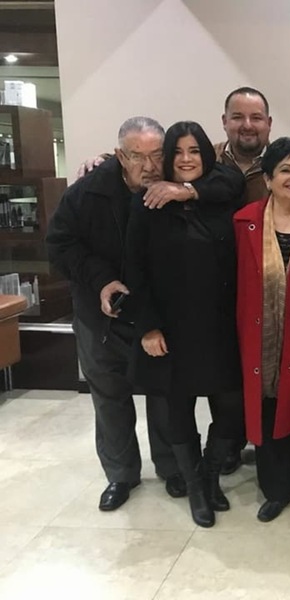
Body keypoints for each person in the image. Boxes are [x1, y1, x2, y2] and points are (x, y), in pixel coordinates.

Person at [46, 116, 234, 511]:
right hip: (102, 315)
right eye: (137, 156)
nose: (149, 166)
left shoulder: (177, 189)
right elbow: (60, 245)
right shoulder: (88, 191)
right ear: (119, 156)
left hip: (158, 315)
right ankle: (121, 475)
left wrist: (186, 189)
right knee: (110, 396)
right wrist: (101, 281)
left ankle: (173, 469)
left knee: (164, 395)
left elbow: (227, 181)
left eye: (156, 155)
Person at [124, 121, 246, 528]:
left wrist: (189, 190)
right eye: (177, 151)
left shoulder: (221, 195)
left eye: (194, 150)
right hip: (171, 328)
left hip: (221, 326)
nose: (186, 158)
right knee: (178, 408)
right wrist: (148, 326)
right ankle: (195, 487)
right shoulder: (147, 204)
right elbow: (135, 269)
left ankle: (211, 477)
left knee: (231, 406)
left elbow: (232, 179)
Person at [233, 137, 290, 523]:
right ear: (268, 178)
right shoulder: (244, 221)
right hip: (258, 333)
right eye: (286, 170)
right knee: (267, 406)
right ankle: (276, 488)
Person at [216, 86, 273, 205]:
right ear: (225, 122)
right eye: (238, 117)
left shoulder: (286, 165)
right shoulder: (207, 159)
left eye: (256, 118)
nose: (247, 126)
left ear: (269, 123)